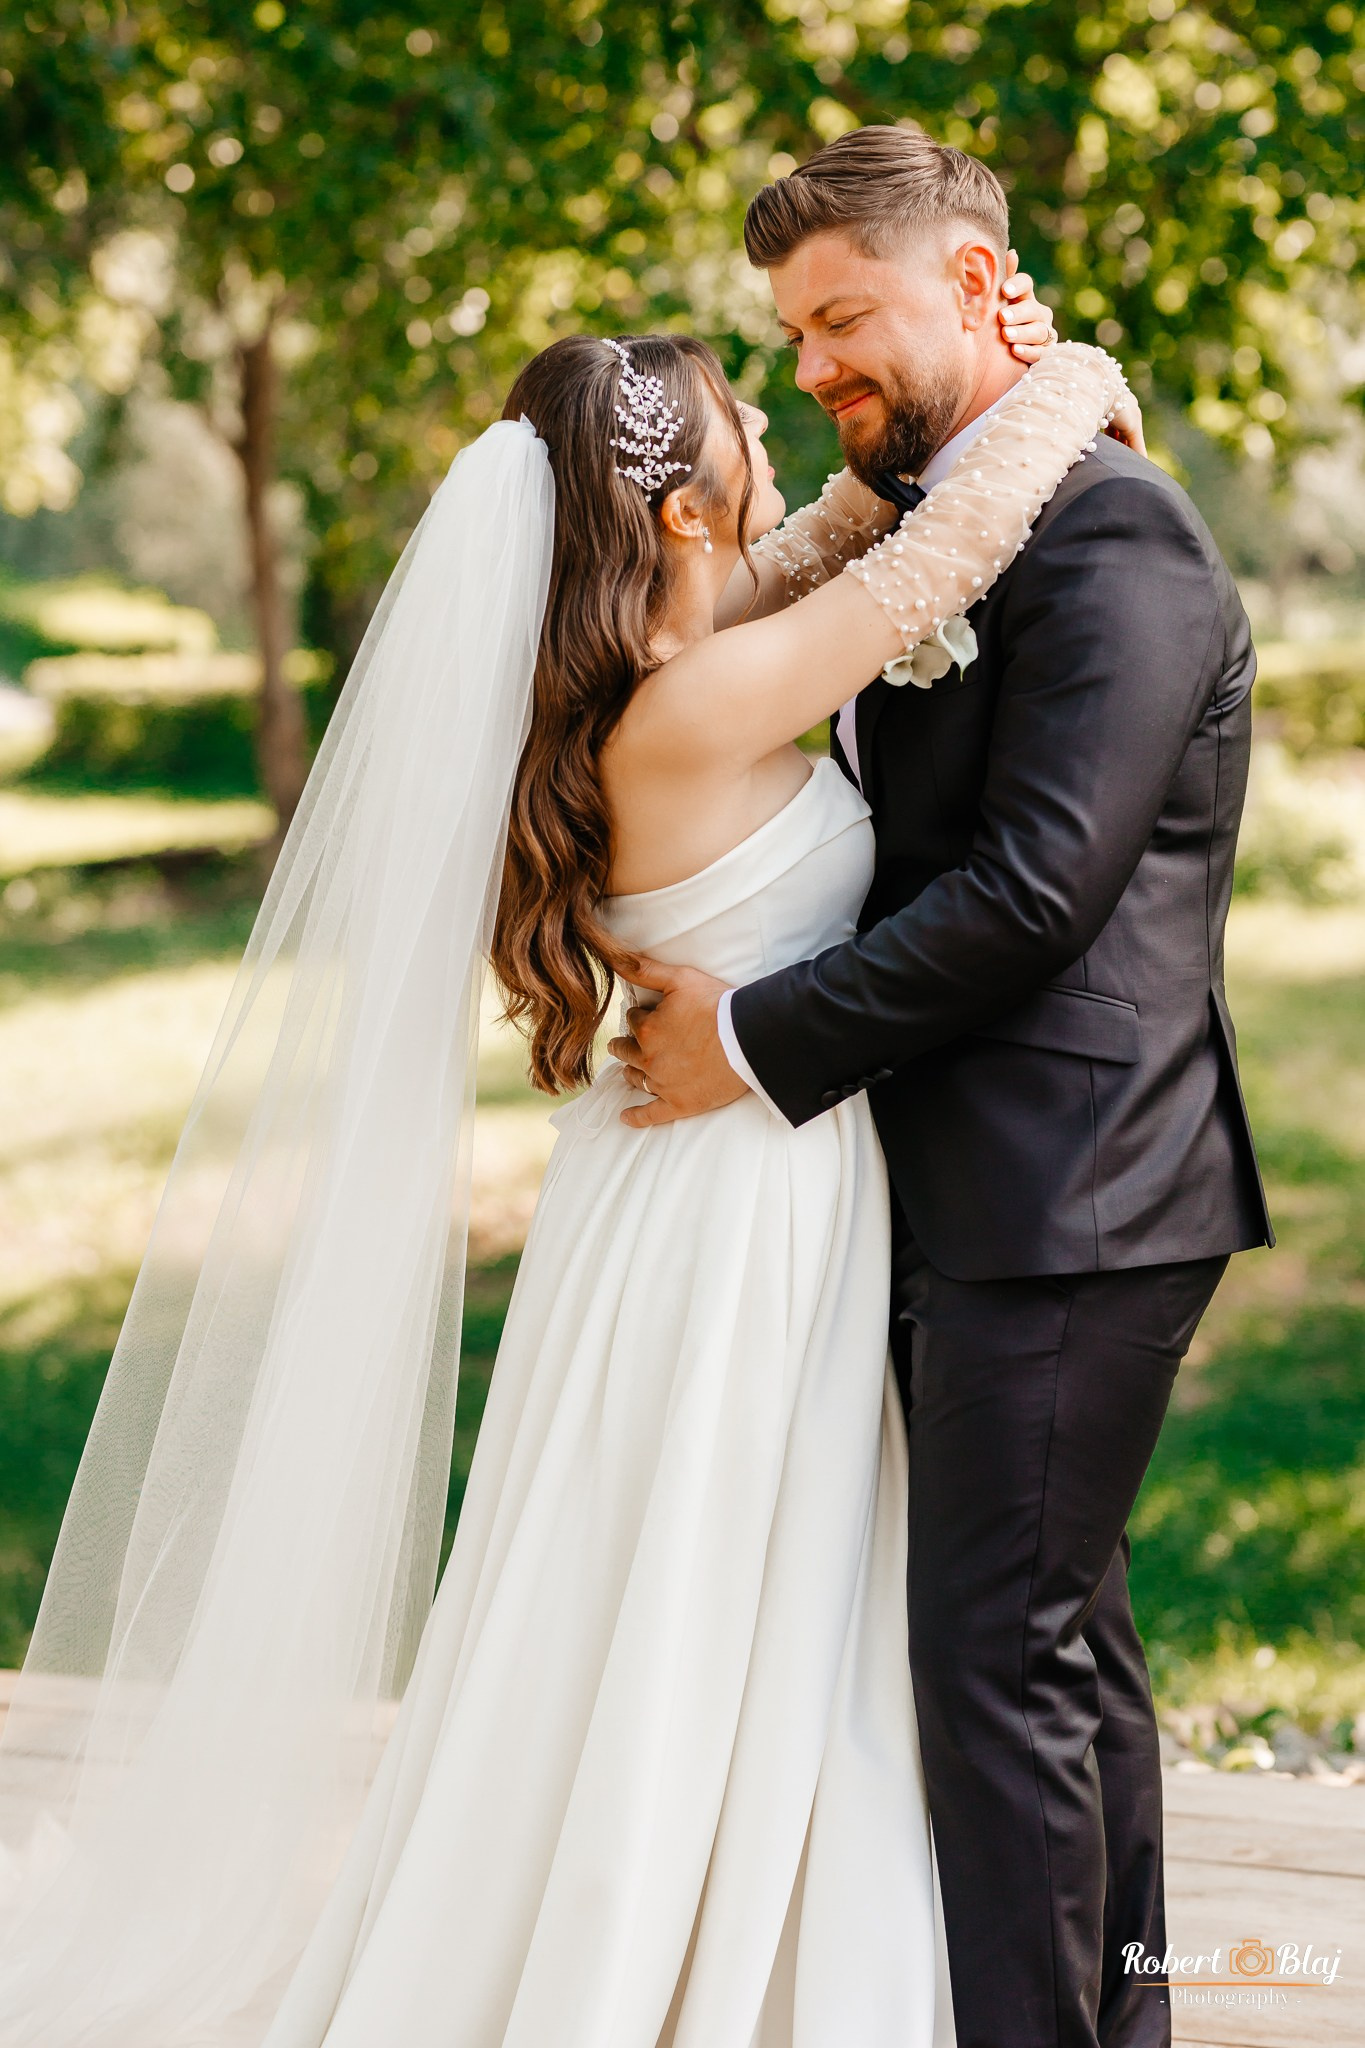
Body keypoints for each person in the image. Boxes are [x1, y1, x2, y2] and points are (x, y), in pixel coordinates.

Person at [0, 227, 1131, 2048]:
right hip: (731, 1202)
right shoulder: (693, 703)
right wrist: (1069, 376)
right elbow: (934, 552)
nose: (774, 410)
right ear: (677, 517)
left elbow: (821, 546)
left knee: (685, 1571)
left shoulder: (669, 665)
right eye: (735, 410)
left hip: (699, 1172)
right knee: (695, 1579)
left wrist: (862, 450)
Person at [616, 126, 1275, 2048]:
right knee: (1060, 1658)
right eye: (793, 343)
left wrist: (747, 1038)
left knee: (993, 1660)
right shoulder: (942, 532)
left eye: (844, 322)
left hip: (1078, 1189)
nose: (817, 372)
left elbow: (1035, 891)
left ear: (980, 287)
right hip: (971, 1178)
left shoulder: (1113, 534)